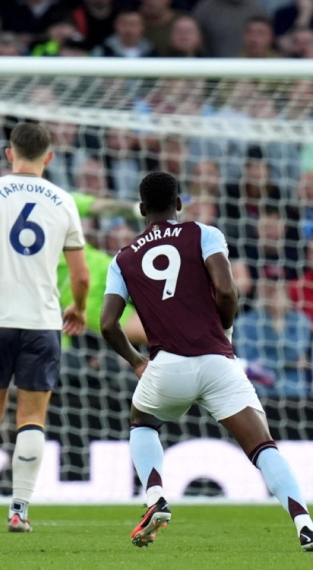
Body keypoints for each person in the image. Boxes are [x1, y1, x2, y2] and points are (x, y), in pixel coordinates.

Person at [100, 171, 313, 551]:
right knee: (262, 445)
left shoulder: (123, 258)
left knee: (142, 420)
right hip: (218, 361)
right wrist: (225, 330)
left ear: (142, 209)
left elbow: (106, 324)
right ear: (179, 204)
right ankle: (303, 522)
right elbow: (228, 291)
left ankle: (155, 498)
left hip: (167, 367)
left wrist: (135, 361)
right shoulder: (203, 233)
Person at [0, 122, 90, 532]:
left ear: (9, 153)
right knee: (32, 417)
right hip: (42, 322)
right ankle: (19, 509)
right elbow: (82, 276)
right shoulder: (64, 201)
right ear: (49, 158)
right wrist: (79, 308)